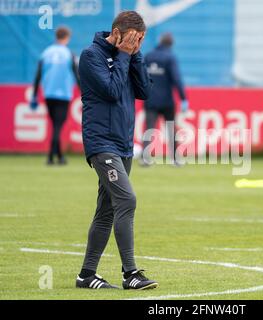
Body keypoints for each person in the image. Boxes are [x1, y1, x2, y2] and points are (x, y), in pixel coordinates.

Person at [77, 11, 158, 290]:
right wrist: (124, 55)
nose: (137, 43)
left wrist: (135, 56)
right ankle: (130, 274)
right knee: (127, 200)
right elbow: (111, 90)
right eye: (135, 39)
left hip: (123, 144)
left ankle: (86, 275)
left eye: (141, 40)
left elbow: (145, 91)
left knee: (107, 211)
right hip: (101, 143)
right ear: (118, 32)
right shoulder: (91, 56)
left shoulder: (129, 55)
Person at [31, 26, 80, 165]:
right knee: (58, 126)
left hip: (49, 93)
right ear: (67, 37)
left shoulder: (46, 53)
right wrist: (84, 93)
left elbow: (38, 74)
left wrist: (34, 94)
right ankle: (50, 157)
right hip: (63, 94)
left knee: (55, 125)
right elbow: (76, 75)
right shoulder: (69, 54)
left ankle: (60, 156)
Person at [142, 32, 189, 166]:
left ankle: (145, 158)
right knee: (171, 128)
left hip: (150, 99)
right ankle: (175, 158)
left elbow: (141, 76)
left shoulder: (148, 56)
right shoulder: (170, 57)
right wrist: (183, 98)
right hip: (167, 101)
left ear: (160, 41)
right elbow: (176, 79)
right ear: (171, 44)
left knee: (149, 129)